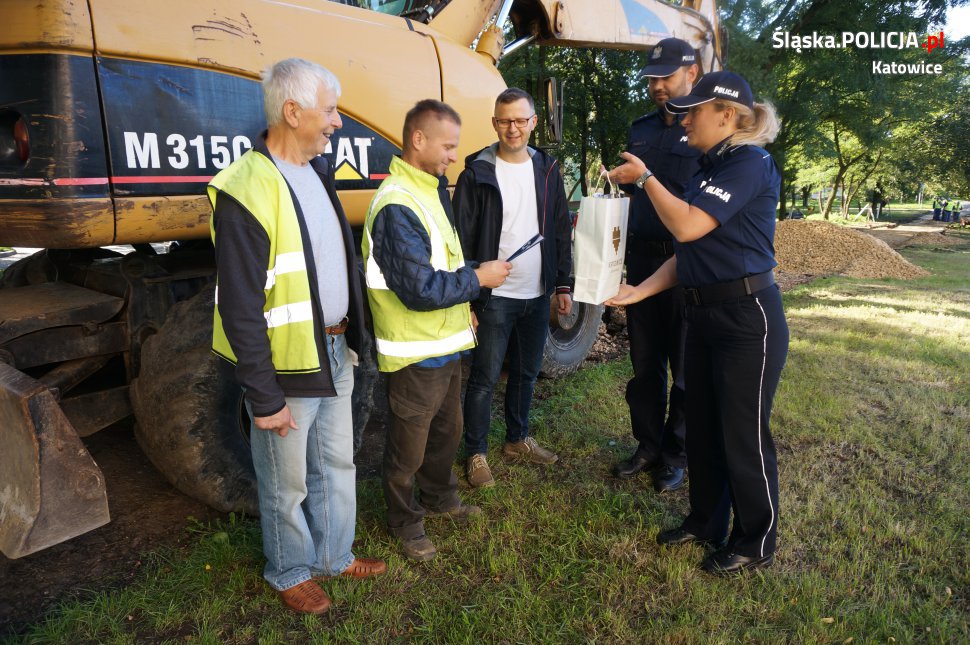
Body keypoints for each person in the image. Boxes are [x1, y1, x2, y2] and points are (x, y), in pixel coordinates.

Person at [208, 58, 386, 615]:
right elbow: (240, 306)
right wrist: (264, 396)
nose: (337, 121)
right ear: (292, 111)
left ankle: (333, 555)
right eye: (329, 110)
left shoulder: (316, 171)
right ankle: (288, 570)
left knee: (336, 464)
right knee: (286, 481)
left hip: (333, 349)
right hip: (287, 365)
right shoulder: (246, 188)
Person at [607, 70, 789, 575]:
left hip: (747, 318)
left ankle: (756, 540)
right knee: (704, 428)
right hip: (704, 313)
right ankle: (706, 521)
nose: (684, 120)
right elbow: (689, 250)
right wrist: (639, 290)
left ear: (726, 115)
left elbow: (686, 225)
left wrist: (646, 178)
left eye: (694, 112)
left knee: (742, 434)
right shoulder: (711, 166)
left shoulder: (750, 162)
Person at [362, 99, 512, 561]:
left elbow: (443, 264)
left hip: (446, 342)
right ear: (418, 139)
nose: (453, 155)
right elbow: (419, 289)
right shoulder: (396, 204)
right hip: (413, 351)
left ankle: (441, 498)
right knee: (408, 448)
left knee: (447, 432)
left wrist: (468, 296)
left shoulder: (430, 191)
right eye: (447, 146)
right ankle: (405, 522)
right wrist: (479, 280)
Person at [452, 88, 572, 488]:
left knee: (526, 372)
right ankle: (476, 452)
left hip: (536, 293)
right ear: (494, 123)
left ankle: (517, 439)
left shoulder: (548, 170)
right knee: (484, 378)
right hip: (494, 297)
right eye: (505, 120)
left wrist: (563, 284)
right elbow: (461, 238)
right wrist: (469, 292)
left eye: (520, 120)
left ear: (533, 122)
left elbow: (559, 229)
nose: (513, 128)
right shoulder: (476, 173)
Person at [611, 37, 702, 493]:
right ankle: (647, 445)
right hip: (643, 260)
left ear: (693, 73)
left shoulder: (704, 129)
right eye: (652, 79)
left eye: (666, 77)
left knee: (684, 368)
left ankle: (675, 454)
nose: (658, 86)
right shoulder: (640, 129)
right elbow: (633, 196)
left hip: (685, 263)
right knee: (645, 364)